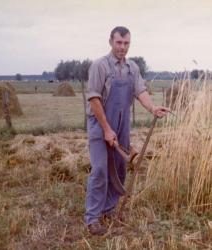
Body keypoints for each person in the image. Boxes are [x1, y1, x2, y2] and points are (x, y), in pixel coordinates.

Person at [85, 26, 169, 236]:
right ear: (111, 42)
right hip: (99, 123)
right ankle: (93, 218)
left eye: (126, 43)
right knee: (100, 169)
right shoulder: (99, 66)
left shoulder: (133, 68)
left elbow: (140, 90)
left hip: (122, 124)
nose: (122, 47)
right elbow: (94, 98)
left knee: (120, 169)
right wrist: (105, 129)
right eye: (119, 43)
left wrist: (152, 108)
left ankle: (109, 208)